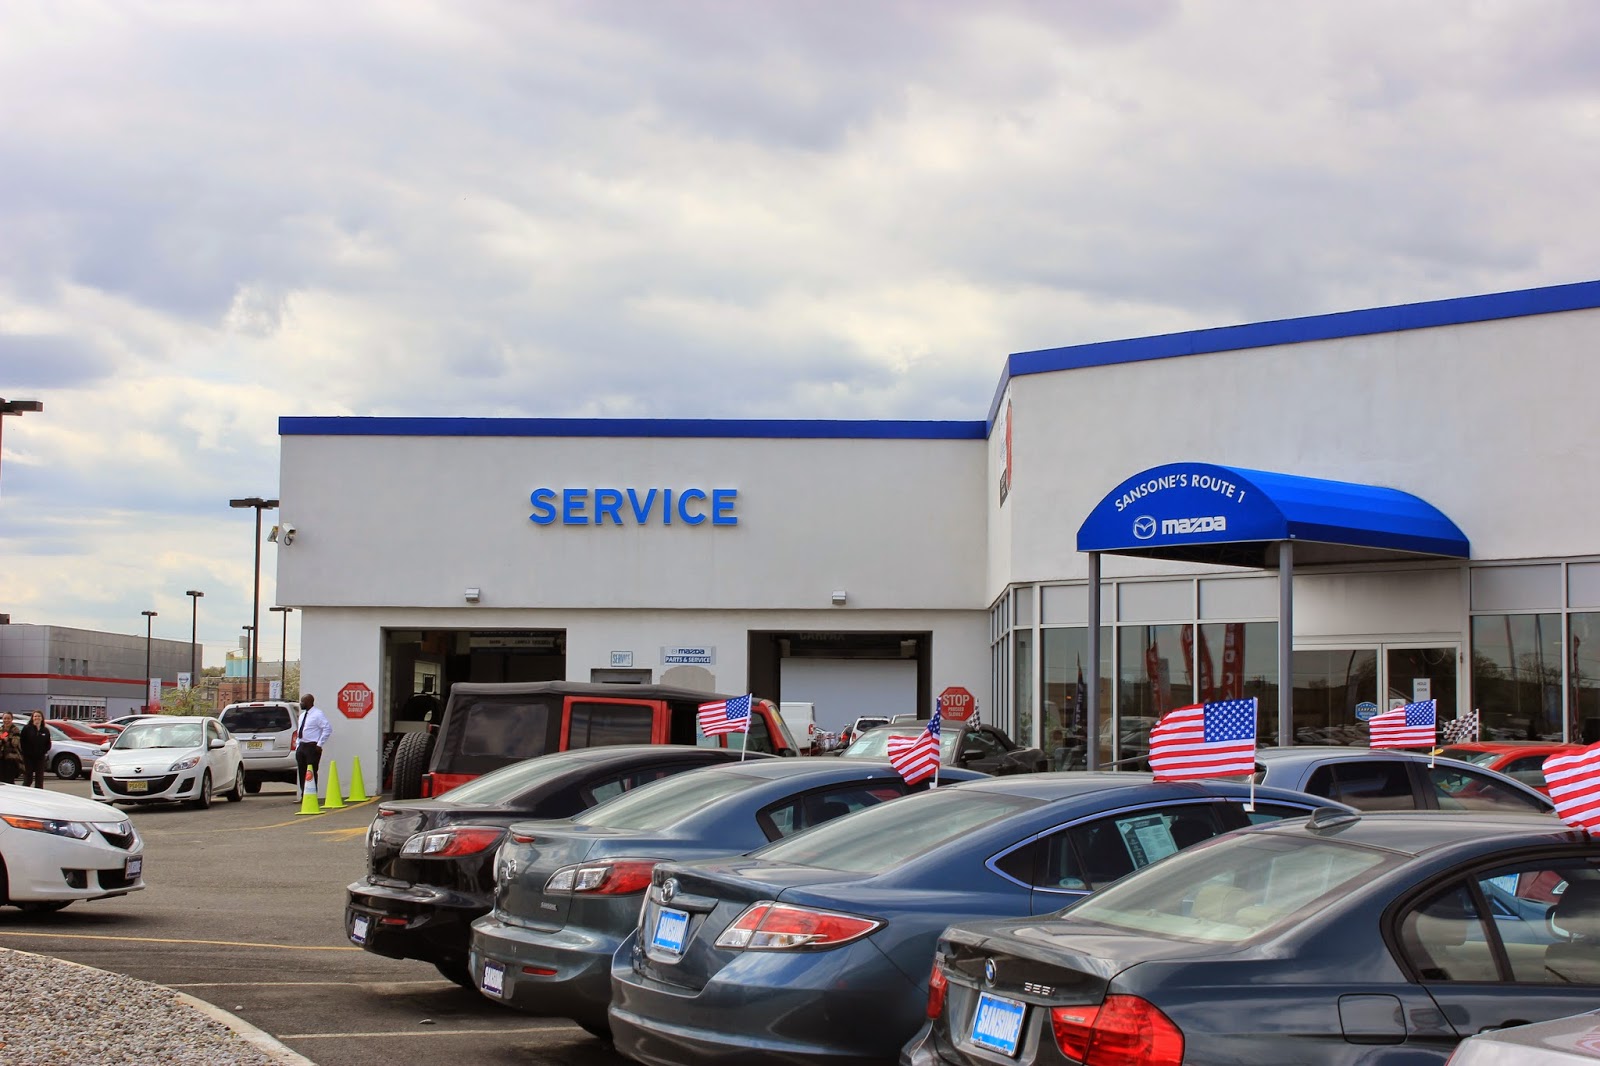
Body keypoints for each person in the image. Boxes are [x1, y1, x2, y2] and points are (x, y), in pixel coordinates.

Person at [295, 693, 333, 798]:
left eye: (303, 701)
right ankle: (304, 795)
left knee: (311, 772)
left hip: (312, 747)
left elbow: (327, 728)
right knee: (302, 772)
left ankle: (312, 795)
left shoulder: (317, 714)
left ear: (309, 702)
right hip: (302, 746)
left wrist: (319, 744)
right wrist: (298, 744)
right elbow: (300, 731)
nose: (301, 704)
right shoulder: (302, 715)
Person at [19, 711, 51, 788]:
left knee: (39, 778)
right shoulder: (27, 728)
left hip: (40, 757)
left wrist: (43, 751)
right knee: (28, 777)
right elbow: (22, 742)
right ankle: (25, 792)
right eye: (35, 716)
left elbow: (48, 743)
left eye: (39, 716)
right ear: (32, 718)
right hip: (28, 757)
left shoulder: (45, 730)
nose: (37, 718)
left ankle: (39, 792)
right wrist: (25, 752)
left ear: (42, 718)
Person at [0, 713, 23, 785]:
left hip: (12, 758)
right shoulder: (1, 729)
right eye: (5, 718)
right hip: (1, 758)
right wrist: (4, 740)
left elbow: (14, 743)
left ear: (12, 719)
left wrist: (5, 740)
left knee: (9, 780)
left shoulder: (15, 730)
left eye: (8, 718)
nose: (6, 720)